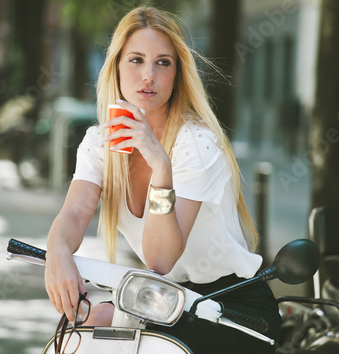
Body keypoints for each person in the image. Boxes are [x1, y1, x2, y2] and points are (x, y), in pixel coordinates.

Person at [45, 6, 280, 353]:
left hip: (231, 307)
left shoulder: (197, 143)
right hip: (162, 301)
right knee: (82, 332)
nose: (148, 76)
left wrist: (160, 166)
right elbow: (75, 213)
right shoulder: (99, 142)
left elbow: (160, 258)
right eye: (136, 60)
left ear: (177, 74)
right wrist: (58, 251)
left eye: (163, 62)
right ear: (116, 68)